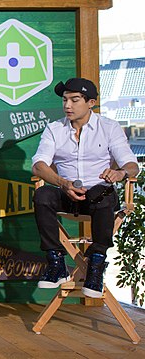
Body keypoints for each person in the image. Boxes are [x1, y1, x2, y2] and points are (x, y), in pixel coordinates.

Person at [32, 78, 139, 298]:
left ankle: (96, 264)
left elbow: (131, 165)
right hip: (67, 193)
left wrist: (119, 173)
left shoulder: (109, 127)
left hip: (99, 197)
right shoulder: (54, 129)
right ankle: (55, 262)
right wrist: (63, 183)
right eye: (64, 100)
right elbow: (39, 165)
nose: (67, 106)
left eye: (74, 100)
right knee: (42, 193)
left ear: (90, 102)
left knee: (103, 192)